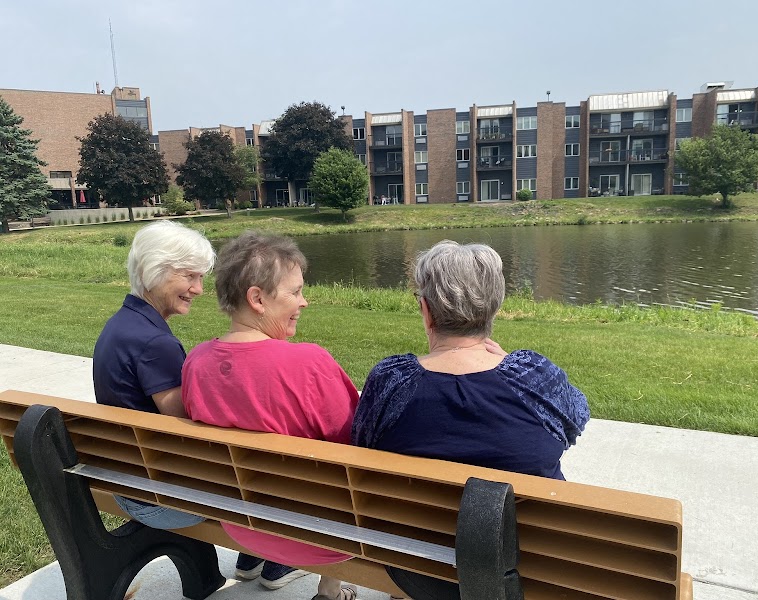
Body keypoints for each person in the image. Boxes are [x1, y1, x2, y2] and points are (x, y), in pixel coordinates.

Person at [351, 240, 590, 600]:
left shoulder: (390, 381)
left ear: (426, 311)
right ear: (495, 307)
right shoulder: (534, 377)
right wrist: (517, 366)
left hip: (417, 569)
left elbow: (361, 446)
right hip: (532, 570)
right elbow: (575, 422)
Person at [182, 231, 360, 600]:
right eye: (295, 292)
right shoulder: (309, 364)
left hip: (241, 526)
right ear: (257, 299)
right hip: (318, 536)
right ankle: (330, 588)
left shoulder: (195, 363)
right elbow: (358, 448)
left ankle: (320, 583)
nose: (304, 302)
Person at [93, 220, 215, 530]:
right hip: (157, 499)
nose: (198, 289)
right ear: (153, 269)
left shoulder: (120, 323)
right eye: (189, 276)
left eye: (200, 277)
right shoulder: (154, 343)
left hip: (129, 480)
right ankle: (273, 562)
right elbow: (187, 426)